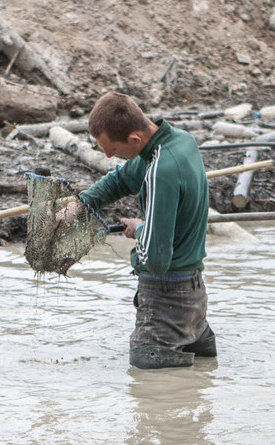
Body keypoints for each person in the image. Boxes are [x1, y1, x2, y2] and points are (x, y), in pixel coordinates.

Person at [69, 91, 215, 369]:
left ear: (134, 139)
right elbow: (122, 179)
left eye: (110, 149)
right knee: (199, 376)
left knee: (149, 381)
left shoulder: (161, 170)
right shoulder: (180, 141)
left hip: (167, 296)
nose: (108, 155)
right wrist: (81, 204)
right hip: (194, 293)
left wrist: (139, 229)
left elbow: (157, 259)